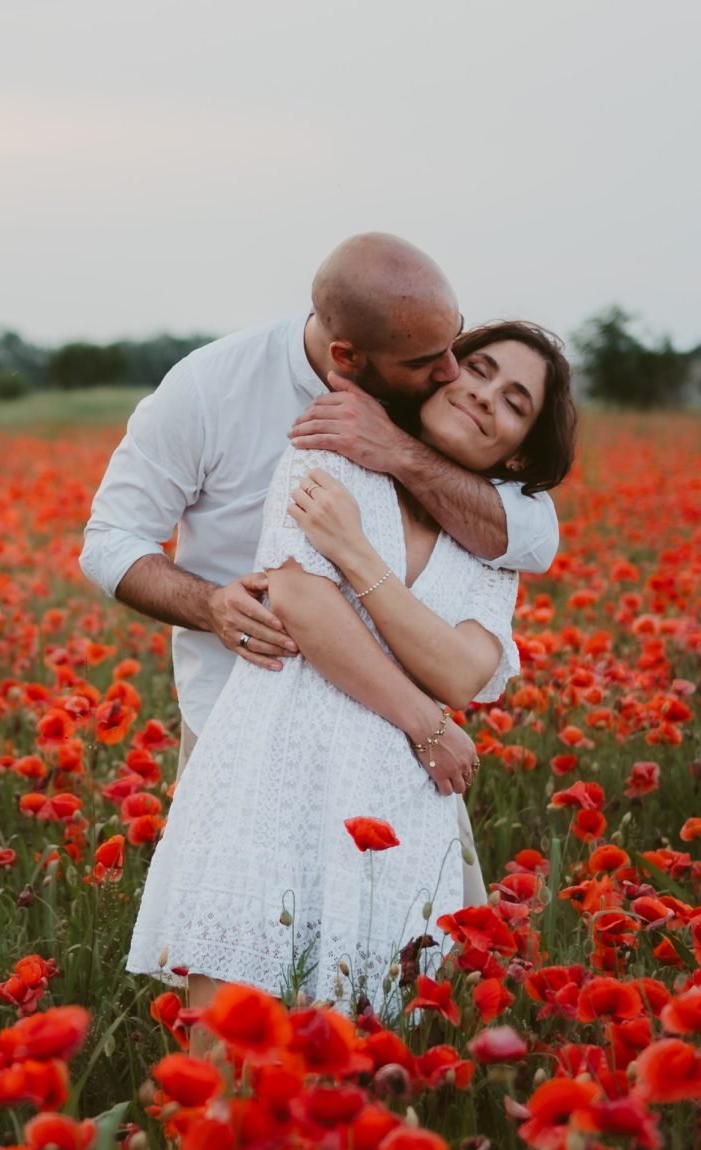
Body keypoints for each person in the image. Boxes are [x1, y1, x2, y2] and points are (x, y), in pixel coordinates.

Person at [117, 317, 578, 1011]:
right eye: (480, 371)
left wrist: (356, 556)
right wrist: (425, 720)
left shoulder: (492, 536)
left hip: (397, 807)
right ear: (442, 369)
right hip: (272, 772)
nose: (487, 397)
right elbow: (302, 601)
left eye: (516, 402)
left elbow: (463, 671)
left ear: (518, 452)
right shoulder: (332, 453)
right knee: (228, 1054)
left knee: (356, 1066)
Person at [78, 232, 560, 759]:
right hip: (239, 723)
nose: (451, 371)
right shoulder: (207, 388)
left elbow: (534, 539)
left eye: (456, 341)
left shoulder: (435, 400)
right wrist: (210, 605)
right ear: (346, 356)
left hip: (398, 748)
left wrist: (396, 449)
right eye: (428, 360)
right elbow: (110, 539)